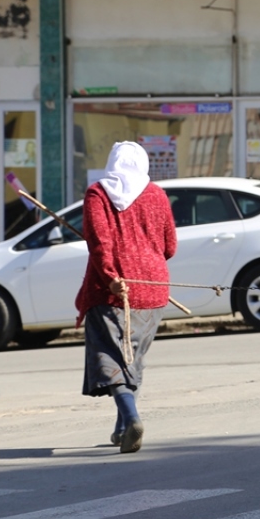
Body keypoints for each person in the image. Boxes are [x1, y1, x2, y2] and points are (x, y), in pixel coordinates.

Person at [76, 142, 176, 453]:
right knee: (133, 358)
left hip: (112, 290)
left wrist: (111, 279)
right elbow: (170, 246)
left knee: (109, 356)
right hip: (153, 287)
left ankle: (131, 418)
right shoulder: (157, 195)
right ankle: (122, 428)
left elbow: (99, 244)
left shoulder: (98, 193)